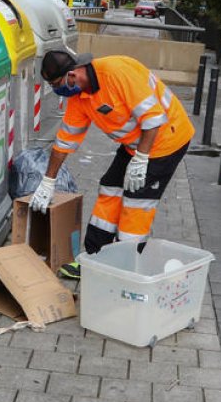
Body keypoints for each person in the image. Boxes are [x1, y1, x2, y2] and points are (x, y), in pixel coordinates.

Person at [29, 50, 195, 279]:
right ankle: (95, 259)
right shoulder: (79, 98)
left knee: (136, 202)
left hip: (167, 139)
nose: (58, 90)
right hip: (135, 144)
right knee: (110, 188)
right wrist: (48, 182)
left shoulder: (118, 73)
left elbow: (153, 119)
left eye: (57, 83)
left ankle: (125, 268)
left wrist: (141, 160)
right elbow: (64, 141)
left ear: (73, 74)